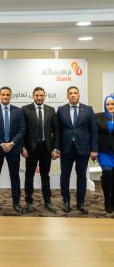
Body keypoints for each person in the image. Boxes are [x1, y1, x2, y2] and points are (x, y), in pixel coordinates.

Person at [57, 86, 98, 214]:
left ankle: (80, 203)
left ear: (79, 95)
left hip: (83, 149)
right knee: (65, 176)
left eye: (75, 93)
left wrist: (94, 149)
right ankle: (66, 201)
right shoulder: (61, 110)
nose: (73, 95)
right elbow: (58, 131)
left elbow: (94, 131)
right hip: (66, 148)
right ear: (67, 96)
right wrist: (56, 148)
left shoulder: (88, 109)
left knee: (81, 177)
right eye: (70, 93)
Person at [0, 86, 26, 213]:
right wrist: (1, 144)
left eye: (7, 94)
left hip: (13, 149)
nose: (5, 97)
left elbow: (22, 130)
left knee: (15, 177)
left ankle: (16, 203)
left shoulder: (18, 111)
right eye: (3, 94)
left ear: (11, 96)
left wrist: (12, 143)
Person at [21, 87, 60, 213]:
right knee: (29, 175)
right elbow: (22, 130)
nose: (39, 98)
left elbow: (56, 132)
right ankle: (29, 201)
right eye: (37, 95)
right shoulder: (25, 109)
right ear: (33, 96)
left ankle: (47, 201)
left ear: (44, 96)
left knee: (45, 176)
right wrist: (22, 147)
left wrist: (55, 149)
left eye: (41, 95)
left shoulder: (51, 110)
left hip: (46, 148)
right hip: (31, 148)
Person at [95, 94, 114, 213]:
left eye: (112, 104)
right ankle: (107, 199)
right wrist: (94, 149)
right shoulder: (98, 117)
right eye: (108, 104)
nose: (110, 106)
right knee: (107, 173)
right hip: (104, 151)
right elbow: (94, 134)